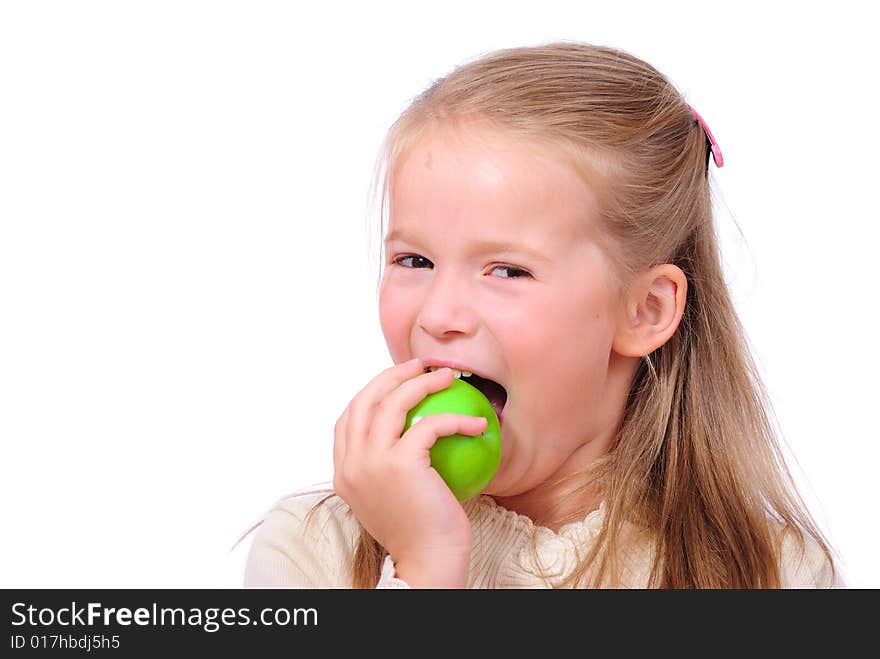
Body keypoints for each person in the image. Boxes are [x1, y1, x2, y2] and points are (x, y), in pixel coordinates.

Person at [239, 41, 842, 589]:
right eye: (414, 259)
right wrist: (421, 571)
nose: (439, 314)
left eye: (506, 271)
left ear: (644, 311)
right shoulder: (313, 553)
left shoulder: (772, 572)